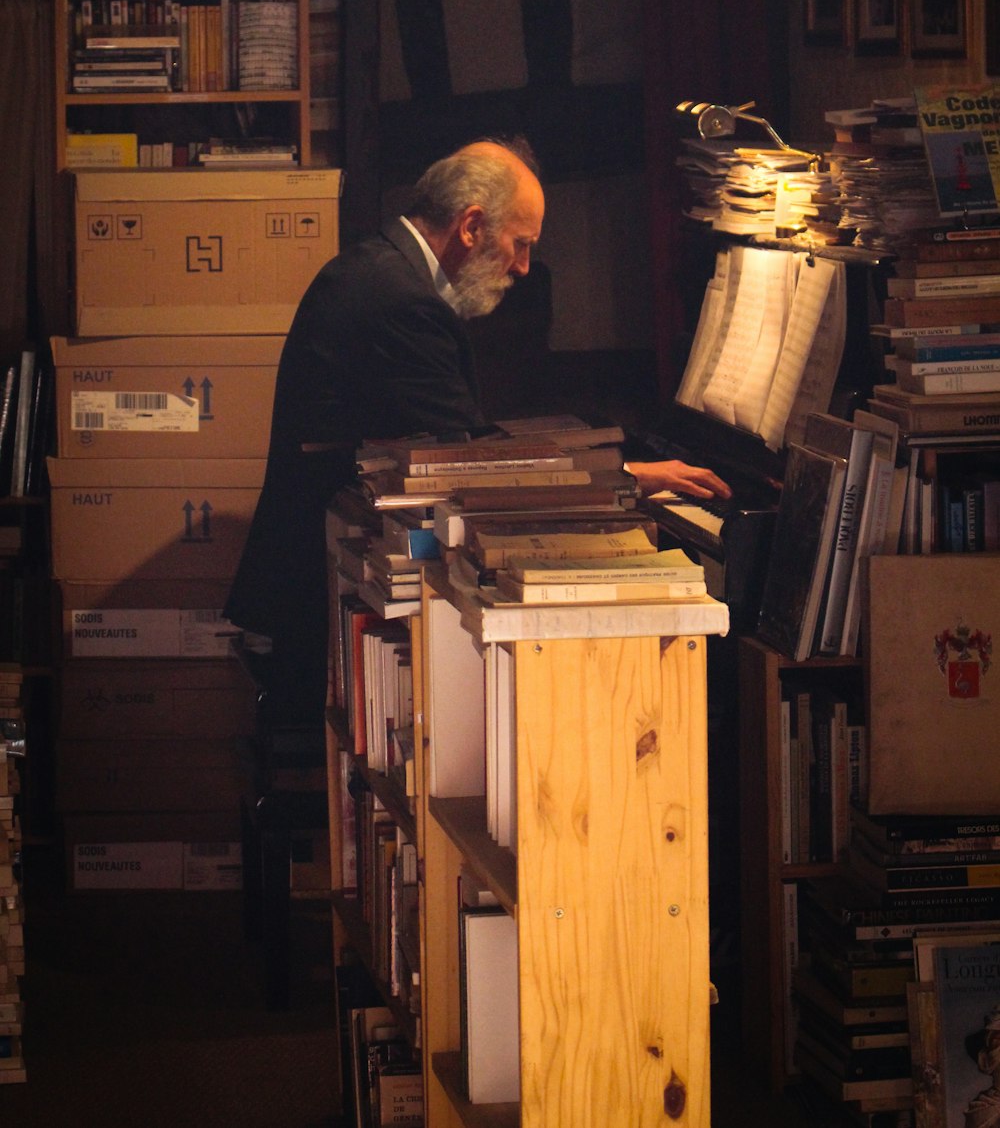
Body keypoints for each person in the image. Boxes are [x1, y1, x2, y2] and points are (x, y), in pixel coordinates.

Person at [225, 136, 730, 720]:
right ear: (470, 227)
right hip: (315, 591)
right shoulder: (400, 300)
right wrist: (624, 478)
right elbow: (468, 463)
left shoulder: (380, 269)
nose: (523, 267)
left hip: (313, 564)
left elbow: (455, 439)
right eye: (521, 244)